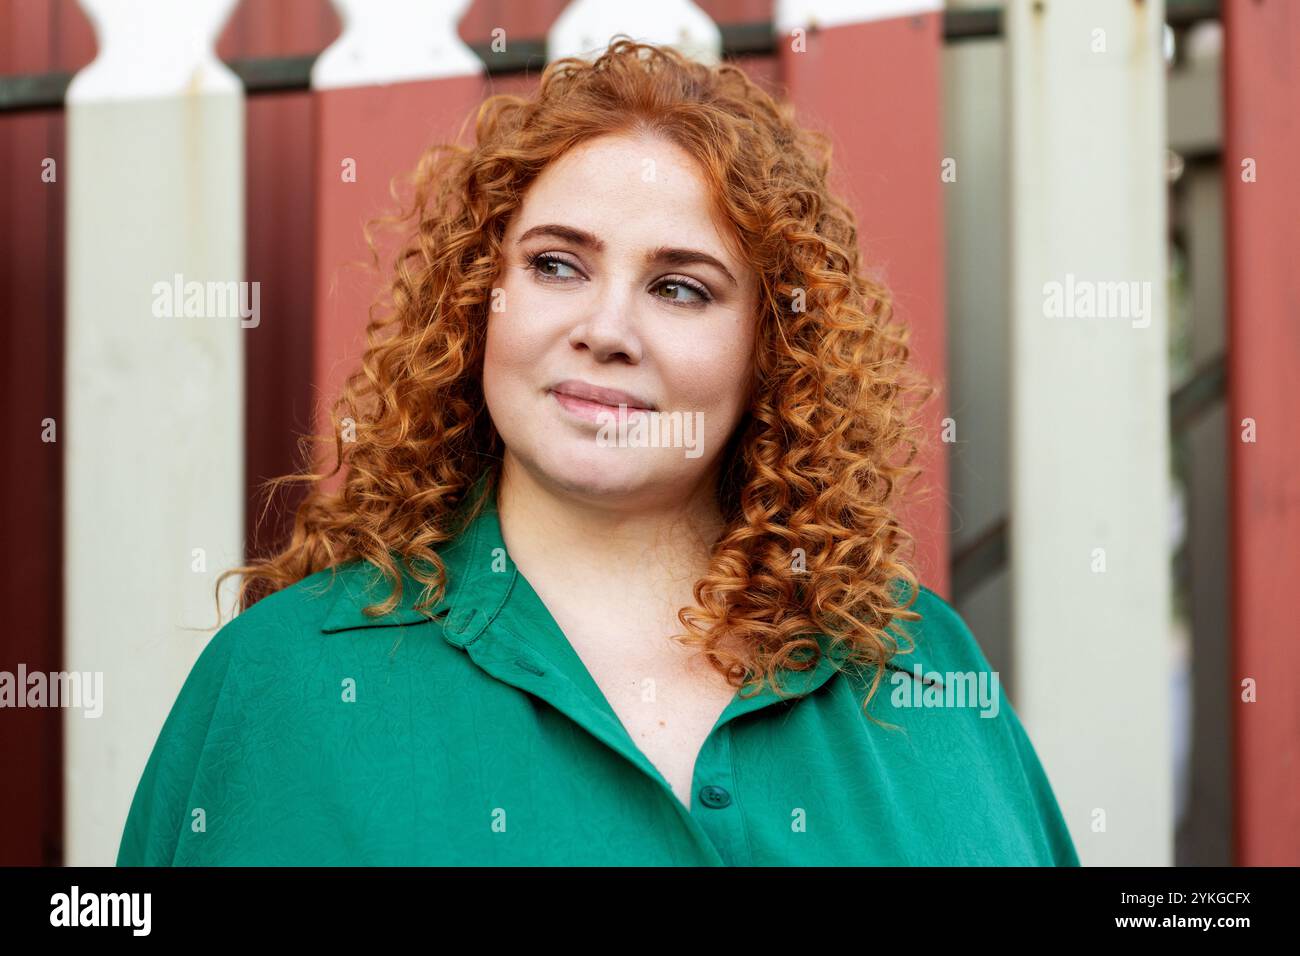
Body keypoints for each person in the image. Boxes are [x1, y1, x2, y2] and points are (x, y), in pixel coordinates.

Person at [117, 38, 1079, 867]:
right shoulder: (281, 685)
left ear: (771, 350)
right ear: (477, 304)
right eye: (556, 265)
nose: (607, 328)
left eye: (682, 288)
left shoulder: (919, 664)